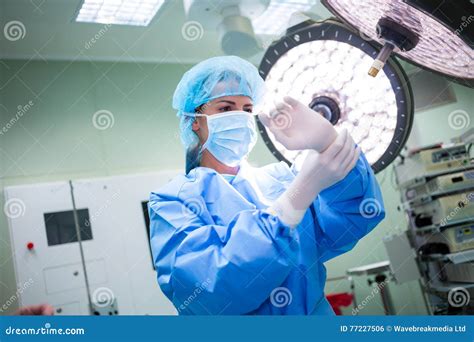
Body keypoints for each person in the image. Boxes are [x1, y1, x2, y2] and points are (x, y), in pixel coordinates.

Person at [148, 55, 385, 315]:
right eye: (225, 109)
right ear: (195, 119)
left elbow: (356, 217)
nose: (239, 117)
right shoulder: (172, 202)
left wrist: (328, 142)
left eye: (247, 109)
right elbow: (211, 291)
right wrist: (294, 200)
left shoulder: (279, 180)